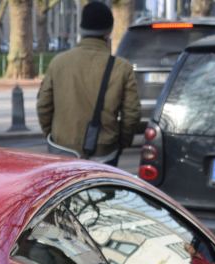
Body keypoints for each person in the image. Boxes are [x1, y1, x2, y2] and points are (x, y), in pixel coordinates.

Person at [36, 1, 138, 165]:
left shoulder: (58, 63)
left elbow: (43, 106)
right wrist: (121, 143)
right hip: (104, 151)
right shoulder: (122, 68)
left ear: (82, 28)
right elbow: (132, 114)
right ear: (109, 31)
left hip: (63, 149)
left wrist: (54, 135)